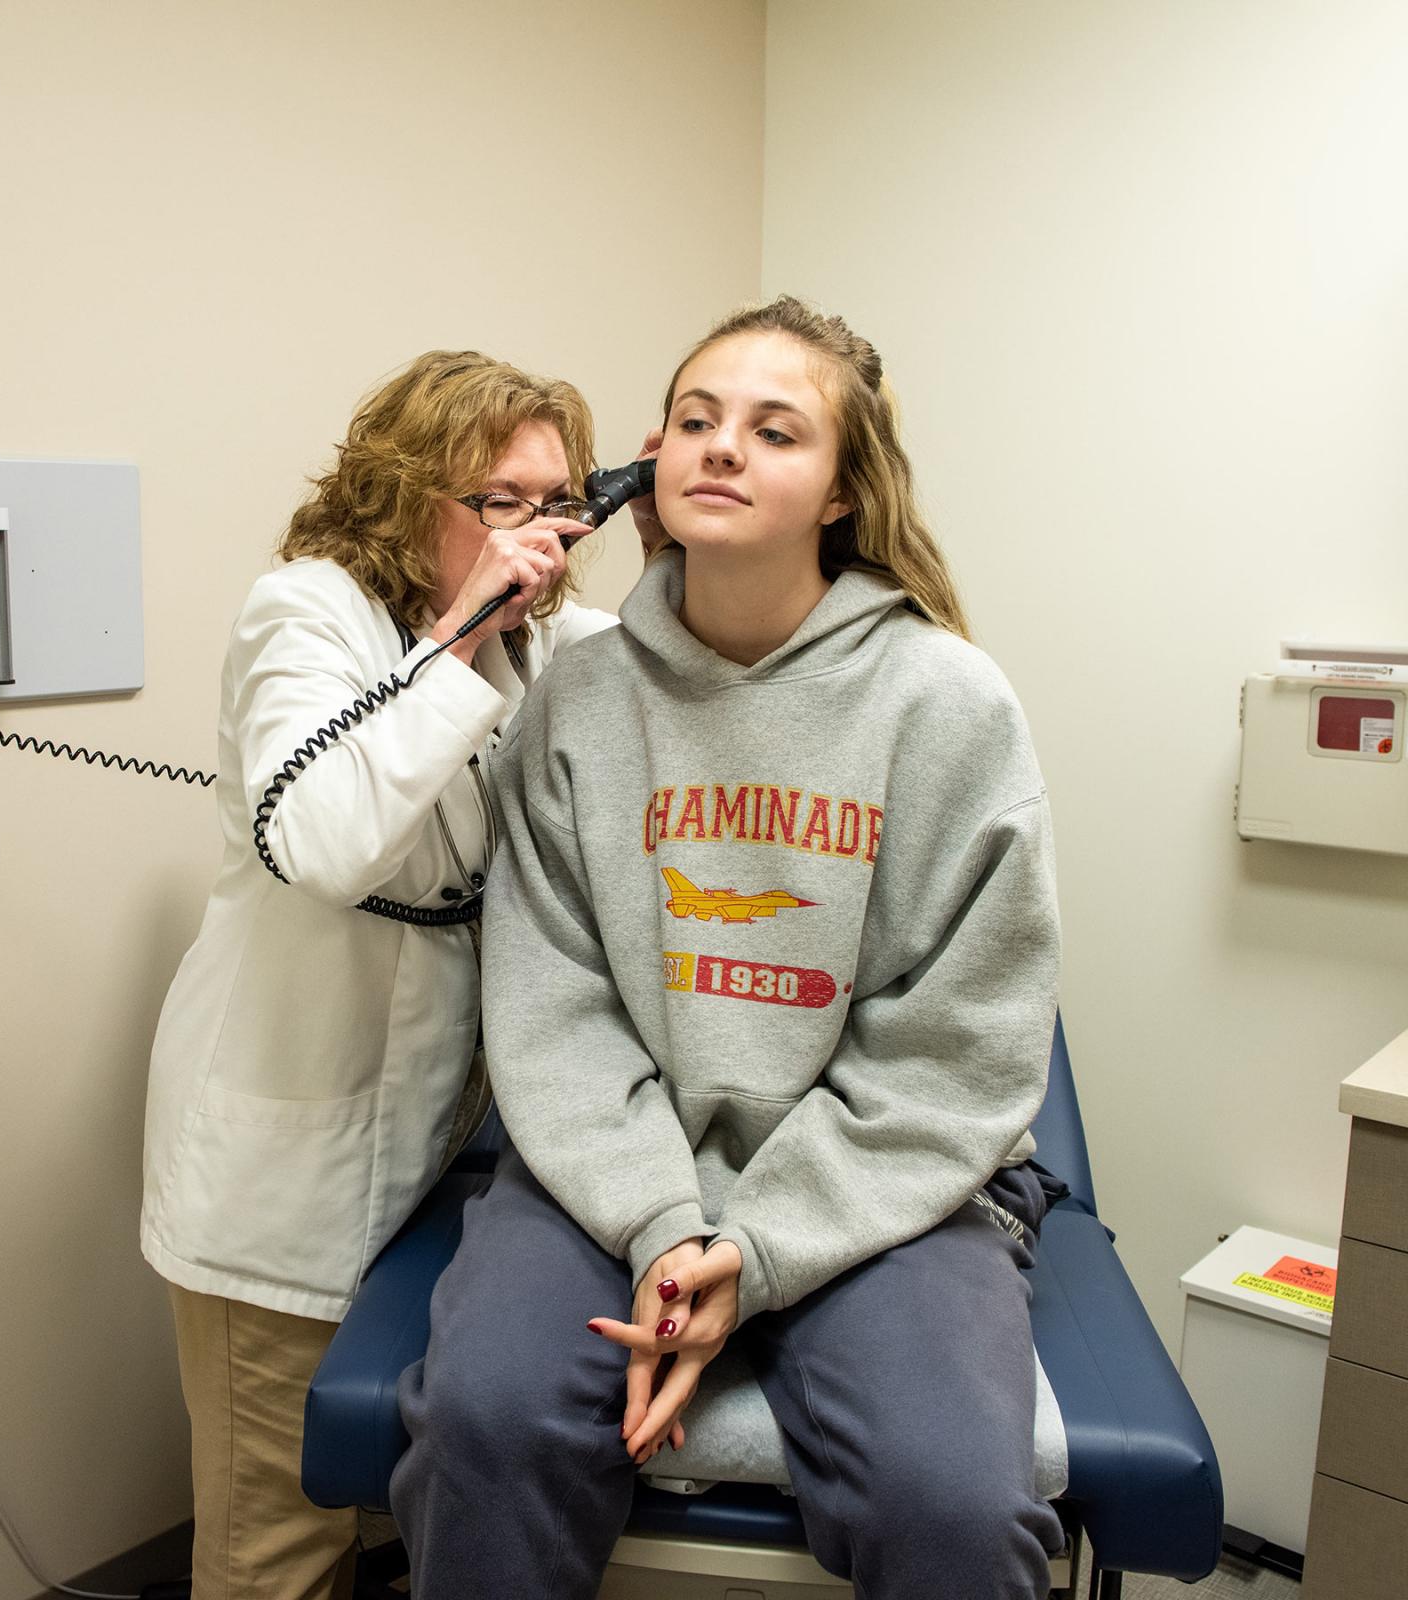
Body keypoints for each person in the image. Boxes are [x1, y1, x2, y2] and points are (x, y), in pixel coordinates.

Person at [392, 297, 1067, 1600]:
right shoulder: (579, 702)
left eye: (774, 429)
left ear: (841, 489)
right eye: (695, 419)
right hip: (613, 1170)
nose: (721, 447)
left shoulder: (948, 706)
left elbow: (955, 1052)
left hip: (883, 1190)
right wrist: (658, 1225)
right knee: (485, 1427)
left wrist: (754, 1253)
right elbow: (552, 1010)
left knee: (954, 1501)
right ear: (656, 457)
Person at [140, 349, 614, 1600]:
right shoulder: (304, 610)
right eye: (500, 502)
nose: (540, 539)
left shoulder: (555, 638)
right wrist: (464, 639)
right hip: (281, 1172)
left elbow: (684, 666)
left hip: (431, 1168)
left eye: (556, 503)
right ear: (408, 496)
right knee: (279, 1547)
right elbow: (329, 839)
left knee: (386, 1512)